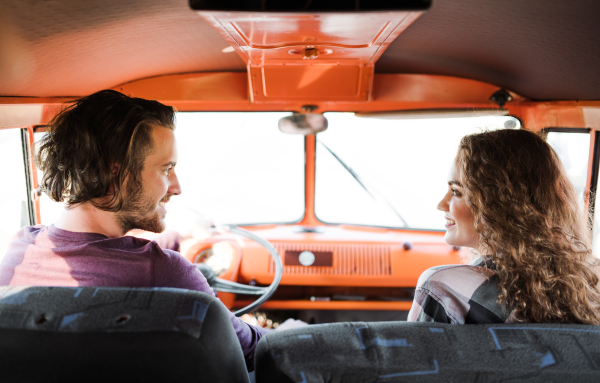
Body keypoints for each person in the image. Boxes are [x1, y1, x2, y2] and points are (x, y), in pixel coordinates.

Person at [0, 90, 266, 371]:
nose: (176, 187)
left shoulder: (20, 250)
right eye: (166, 169)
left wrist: (177, 235)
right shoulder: (165, 273)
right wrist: (291, 329)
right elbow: (254, 351)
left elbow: (100, 257)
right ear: (117, 174)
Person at [408, 128, 600, 324]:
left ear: (497, 204)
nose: (441, 204)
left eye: (456, 192)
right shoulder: (589, 286)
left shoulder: (441, 286)